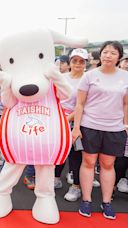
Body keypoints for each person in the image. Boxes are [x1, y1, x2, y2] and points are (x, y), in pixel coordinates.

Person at [72, 41, 128, 220]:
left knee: (108, 164)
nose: (108, 55)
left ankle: (106, 202)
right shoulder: (89, 76)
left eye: (112, 53)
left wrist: (126, 125)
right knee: (88, 163)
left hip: (114, 128)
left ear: (119, 56)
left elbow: (126, 104)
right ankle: (86, 200)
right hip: (90, 126)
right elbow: (80, 103)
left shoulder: (125, 77)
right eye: (105, 52)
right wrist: (77, 127)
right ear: (100, 55)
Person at [54, 48, 88, 201]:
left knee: (75, 154)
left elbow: (83, 104)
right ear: (70, 62)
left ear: (85, 63)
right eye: (74, 61)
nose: (77, 64)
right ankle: (56, 178)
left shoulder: (87, 79)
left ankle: (76, 187)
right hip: (58, 118)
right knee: (58, 151)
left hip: (76, 120)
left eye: (81, 61)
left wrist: (68, 119)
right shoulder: (61, 78)